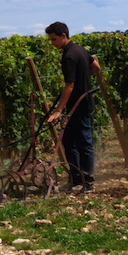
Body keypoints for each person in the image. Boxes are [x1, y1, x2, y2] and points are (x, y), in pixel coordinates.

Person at [45, 22, 101, 192]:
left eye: (54, 39)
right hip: (82, 103)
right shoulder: (80, 49)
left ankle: (87, 183)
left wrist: (58, 110)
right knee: (70, 142)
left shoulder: (69, 56)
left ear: (63, 35)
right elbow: (96, 67)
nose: (52, 43)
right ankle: (76, 180)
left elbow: (69, 85)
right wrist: (83, 77)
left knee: (83, 143)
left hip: (78, 105)